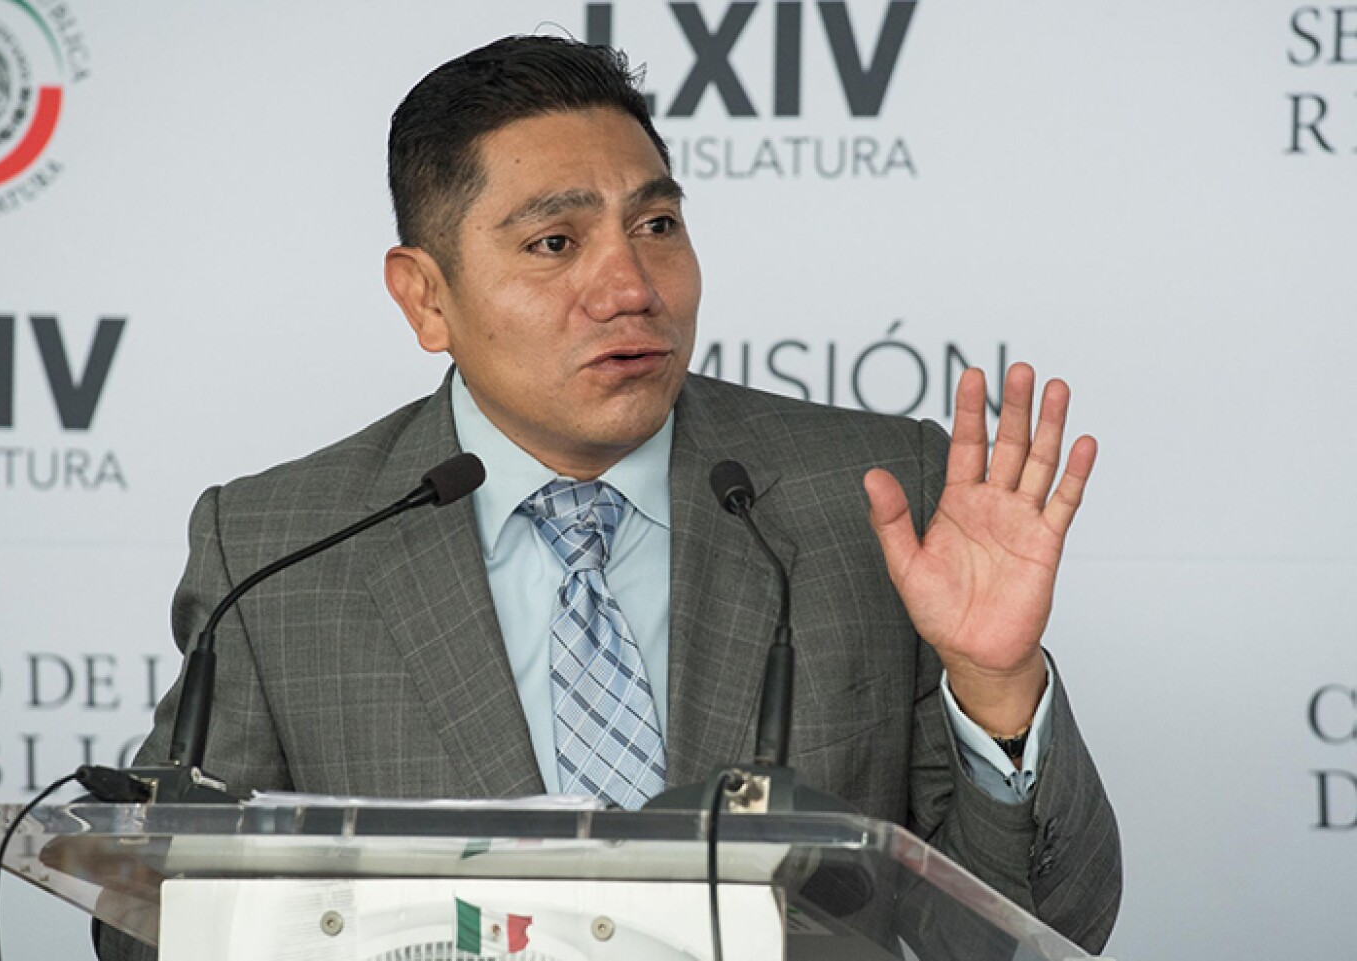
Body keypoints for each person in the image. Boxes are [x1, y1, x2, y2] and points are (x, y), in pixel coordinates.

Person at [98, 35, 1120, 959]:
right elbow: (147, 929)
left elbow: (1042, 934)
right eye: (555, 243)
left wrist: (996, 690)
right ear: (425, 294)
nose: (631, 285)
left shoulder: (875, 497)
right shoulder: (281, 548)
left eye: (658, 224)